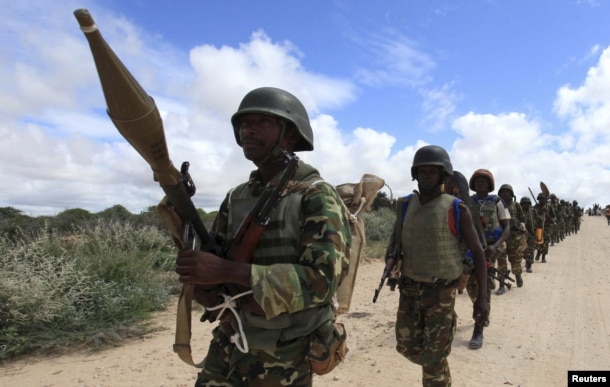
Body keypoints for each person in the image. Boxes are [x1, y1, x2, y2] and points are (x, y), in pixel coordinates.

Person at [175, 87, 352, 386]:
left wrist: (226, 271)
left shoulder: (316, 194)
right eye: (243, 123)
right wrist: (204, 280)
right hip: (233, 337)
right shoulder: (237, 196)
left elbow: (322, 281)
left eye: (262, 122)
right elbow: (217, 271)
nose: (248, 129)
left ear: (291, 134)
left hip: (286, 349)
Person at [383, 145, 488, 387]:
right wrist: (391, 261)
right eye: (422, 171)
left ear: (443, 176)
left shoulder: (456, 208)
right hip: (409, 291)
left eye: (433, 171)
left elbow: (478, 254)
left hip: (440, 295)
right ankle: (438, 363)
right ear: (415, 174)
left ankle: (437, 364)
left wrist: (482, 298)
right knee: (405, 347)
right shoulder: (406, 206)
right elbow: (396, 242)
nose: (427, 175)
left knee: (433, 360)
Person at [464, 169, 510, 349]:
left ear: (490, 184)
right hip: (470, 250)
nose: (481, 183)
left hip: (490, 249)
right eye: (478, 181)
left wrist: (495, 247)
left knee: (483, 287)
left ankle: (478, 329)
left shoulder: (498, 202)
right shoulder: (467, 201)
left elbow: (507, 228)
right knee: (470, 287)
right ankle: (483, 313)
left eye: (484, 181)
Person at [497, 184, 527, 290]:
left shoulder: (516, 205)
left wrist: (521, 226)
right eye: (503, 192)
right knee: (501, 261)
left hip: (515, 237)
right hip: (501, 238)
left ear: (511, 193)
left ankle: (518, 275)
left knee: (515, 260)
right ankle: (501, 284)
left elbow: (522, 217)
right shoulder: (497, 205)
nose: (505, 194)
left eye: (507, 192)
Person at [519, 196, 538, 273]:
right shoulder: (519, 212)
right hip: (522, 233)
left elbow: (537, 219)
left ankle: (529, 265)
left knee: (530, 250)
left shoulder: (533, 211)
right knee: (523, 250)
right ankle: (527, 260)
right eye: (524, 204)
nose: (525, 205)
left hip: (531, 233)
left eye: (527, 204)